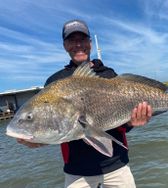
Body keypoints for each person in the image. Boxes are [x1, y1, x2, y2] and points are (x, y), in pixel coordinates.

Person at [17, 19, 152, 188]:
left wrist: (133, 123)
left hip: (117, 167)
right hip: (77, 174)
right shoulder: (54, 82)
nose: (78, 44)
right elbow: (57, 128)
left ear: (90, 43)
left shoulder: (109, 75)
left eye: (82, 39)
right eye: (72, 40)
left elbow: (122, 123)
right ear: (65, 45)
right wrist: (37, 140)